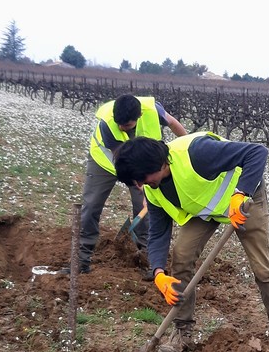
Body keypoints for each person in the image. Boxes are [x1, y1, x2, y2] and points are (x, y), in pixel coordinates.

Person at [113, 132, 269, 352]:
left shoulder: (197, 153)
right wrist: (158, 272)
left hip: (243, 201)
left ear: (158, 164)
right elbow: (158, 233)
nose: (141, 186)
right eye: (136, 182)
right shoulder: (153, 190)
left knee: (262, 268)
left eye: (142, 178)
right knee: (181, 255)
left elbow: (257, 152)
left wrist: (241, 193)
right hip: (204, 210)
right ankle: (182, 333)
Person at [64, 94, 187, 274]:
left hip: (139, 163)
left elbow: (174, 123)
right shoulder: (107, 123)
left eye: (127, 125)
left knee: (147, 209)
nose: (121, 127)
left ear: (138, 117)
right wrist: (143, 188)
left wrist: (188, 143)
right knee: (91, 206)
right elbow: (125, 164)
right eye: (119, 123)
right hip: (104, 161)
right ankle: (81, 260)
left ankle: (147, 259)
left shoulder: (153, 110)